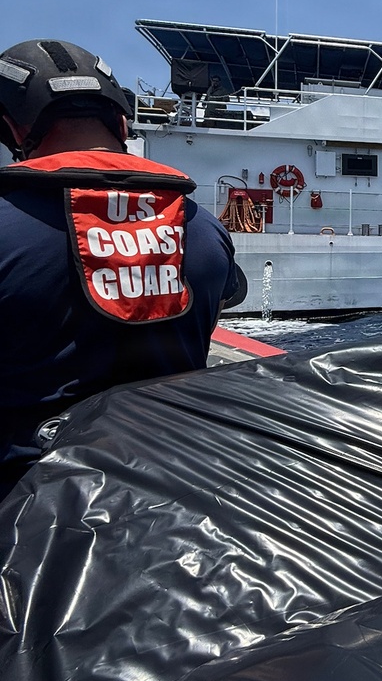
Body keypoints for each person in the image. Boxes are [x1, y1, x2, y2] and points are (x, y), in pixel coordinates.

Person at [0, 38, 240, 492]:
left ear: (12, 130)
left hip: (26, 516)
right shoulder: (206, 231)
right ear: (123, 120)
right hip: (174, 494)